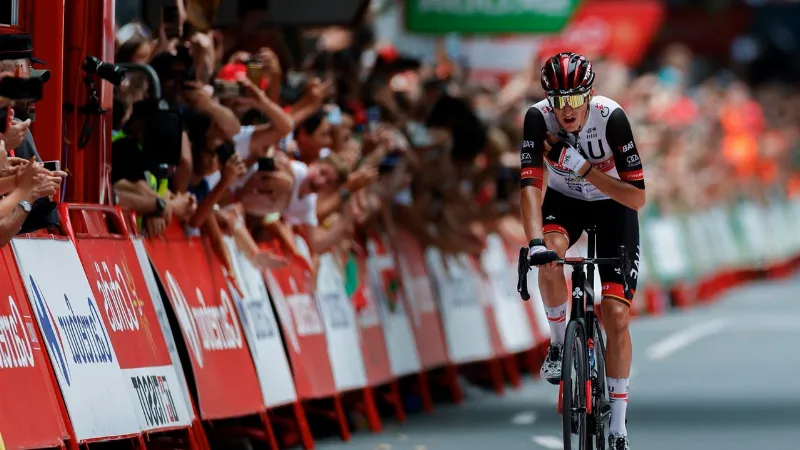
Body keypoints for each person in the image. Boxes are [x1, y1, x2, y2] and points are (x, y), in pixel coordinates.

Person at [518, 53, 646, 450]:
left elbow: (637, 197)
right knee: (551, 257)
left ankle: (619, 428)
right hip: (565, 201)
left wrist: (585, 169)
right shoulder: (538, 119)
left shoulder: (612, 118)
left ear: (589, 94)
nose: (567, 110)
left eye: (575, 99)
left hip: (613, 204)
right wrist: (535, 242)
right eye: (558, 101)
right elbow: (529, 186)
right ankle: (559, 343)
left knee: (616, 315)